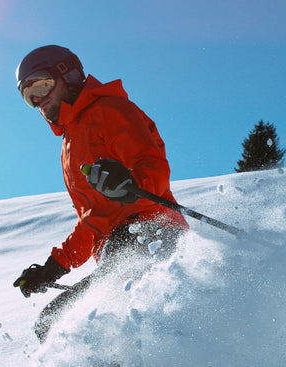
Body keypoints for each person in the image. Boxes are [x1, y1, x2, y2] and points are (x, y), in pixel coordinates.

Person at [10, 45, 188, 341]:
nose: (38, 99)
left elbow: (153, 167)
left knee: (90, 327)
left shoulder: (109, 110)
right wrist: (52, 269)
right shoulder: (70, 142)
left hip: (151, 231)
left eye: (42, 84)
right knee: (52, 324)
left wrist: (130, 185)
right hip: (117, 244)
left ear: (69, 75)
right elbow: (96, 218)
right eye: (29, 96)